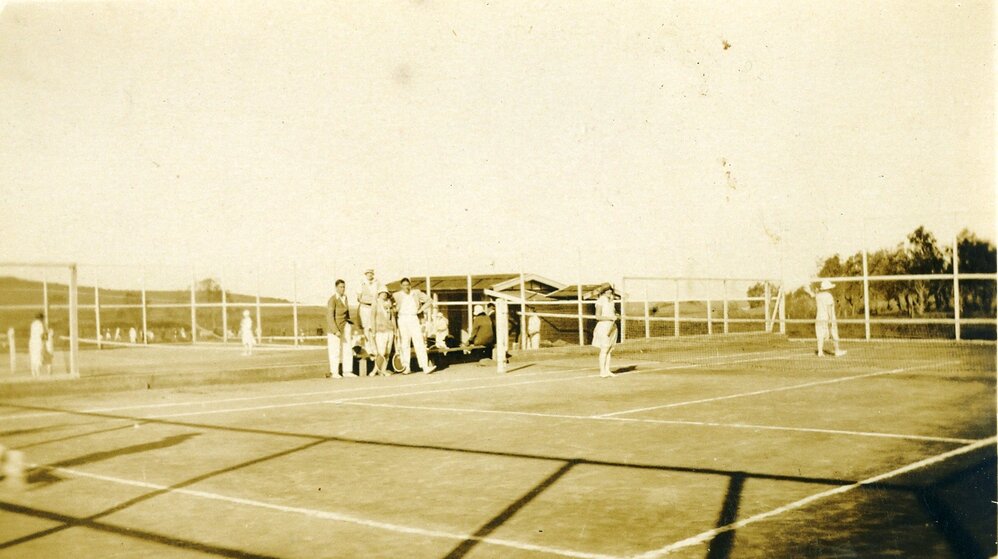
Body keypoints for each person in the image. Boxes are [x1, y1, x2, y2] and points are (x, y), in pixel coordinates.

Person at [393, 277, 435, 374]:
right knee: (405, 343)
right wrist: (394, 309)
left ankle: (425, 366)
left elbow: (429, 300)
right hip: (402, 319)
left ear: (410, 285)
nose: (406, 287)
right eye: (404, 285)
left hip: (413, 318)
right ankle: (406, 367)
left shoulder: (416, 293)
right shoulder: (396, 295)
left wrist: (421, 309)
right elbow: (388, 303)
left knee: (419, 342)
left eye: (407, 285)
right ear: (401, 286)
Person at [806, 280, 847, 357]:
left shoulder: (818, 296)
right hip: (827, 317)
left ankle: (820, 351)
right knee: (834, 333)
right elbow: (829, 308)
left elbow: (814, 294)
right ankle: (837, 350)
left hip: (819, 317)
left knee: (820, 334)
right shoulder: (829, 296)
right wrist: (831, 320)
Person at [326, 279, 356, 378]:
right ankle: (334, 372)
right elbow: (330, 316)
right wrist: (335, 331)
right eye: (340, 287)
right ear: (336, 288)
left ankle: (347, 371)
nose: (342, 289)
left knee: (347, 349)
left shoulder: (345, 297)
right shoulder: (332, 299)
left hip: (345, 326)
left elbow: (346, 314)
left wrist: (349, 324)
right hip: (335, 329)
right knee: (335, 350)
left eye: (344, 287)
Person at [592, 284, 618, 378]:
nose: (609, 291)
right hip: (603, 327)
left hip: (612, 326)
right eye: (607, 290)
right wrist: (610, 317)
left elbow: (612, 313)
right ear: (603, 291)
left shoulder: (611, 301)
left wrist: (615, 316)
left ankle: (607, 370)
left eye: (610, 290)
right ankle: (602, 371)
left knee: (609, 350)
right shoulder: (600, 301)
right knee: (604, 349)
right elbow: (598, 316)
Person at [356, 268, 385, 339]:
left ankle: (375, 347)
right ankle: (368, 348)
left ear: (373, 274)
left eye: (371, 273)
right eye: (367, 273)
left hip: (375, 307)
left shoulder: (377, 283)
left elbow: (381, 294)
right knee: (366, 327)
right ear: (365, 274)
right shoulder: (361, 283)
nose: (369, 274)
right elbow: (359, 298)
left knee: (374, 326)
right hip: (365, 308)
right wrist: (369, 301)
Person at [371, 290, 396, 375]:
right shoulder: (375, 304)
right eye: (382, 293)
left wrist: (395, 330)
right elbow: (372, 318)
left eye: (386, 293)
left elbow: (392, 318)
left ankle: (382, 369)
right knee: (381, 352)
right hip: (380, 330)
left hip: (390, 330)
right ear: (379, 294)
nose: (384, 294)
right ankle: (377, 370)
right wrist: (373, 331)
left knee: (388, 352)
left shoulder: (389, 304)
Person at [29, 313, 44, 378]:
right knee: (38, 356)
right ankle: (37, 372)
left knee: (33, 356)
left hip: (32, 341)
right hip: (38, 342)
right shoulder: (40, 324)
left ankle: (33, 371)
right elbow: (42, 334)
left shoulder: (33, 324)